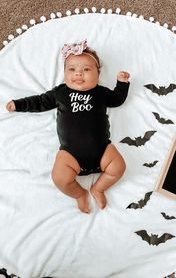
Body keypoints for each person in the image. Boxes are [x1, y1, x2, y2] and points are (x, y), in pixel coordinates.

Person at [6, 40, 130, 213]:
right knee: (60, 178)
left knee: (119, 167)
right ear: (64, 73)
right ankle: (79, 194)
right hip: (71, 154)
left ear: (98, 74)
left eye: (86, 70)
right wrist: (19, 104)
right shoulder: (61, 93)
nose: (79, 74)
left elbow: (117, 100)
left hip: (103, 150)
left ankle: (99, 188)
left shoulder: (100, 93)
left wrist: (122, 84)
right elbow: (40, 101)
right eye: (72, 69)